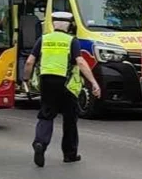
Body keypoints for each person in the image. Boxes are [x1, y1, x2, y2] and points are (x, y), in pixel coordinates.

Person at [22, 12, 101, 167]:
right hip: (66, 84)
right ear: (69, 25)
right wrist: (93, 82)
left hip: (46, 82)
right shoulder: (72, 41)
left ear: (52, 23)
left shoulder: (43, 40)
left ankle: (40, 143)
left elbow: (30, 62)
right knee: (70, 119)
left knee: (46, 115)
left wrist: (26, 79)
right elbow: (81, 62)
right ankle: (69, 154)